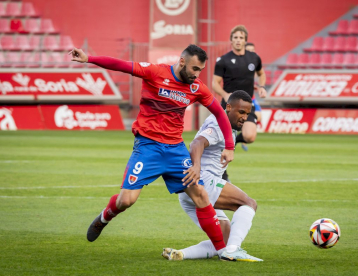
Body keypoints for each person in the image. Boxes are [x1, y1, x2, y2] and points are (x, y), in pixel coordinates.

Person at [69, 45, 235, 256]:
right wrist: (89, 58)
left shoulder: (196, 87)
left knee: (201, 195)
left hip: (176, 150)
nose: (196, 74)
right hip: (148, 147)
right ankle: (104, 218)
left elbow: (220, 113)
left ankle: (223, 252)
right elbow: (121, 65)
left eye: (200, 70)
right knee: (126, 200)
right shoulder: (155, 73)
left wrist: (229, 146)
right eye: (194, 68)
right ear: (182, 62)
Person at [162, 90, 262, 262]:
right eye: (241, 112)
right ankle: (233, 251)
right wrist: (196, 167)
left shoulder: (228, 125)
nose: (245, 117)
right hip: (203, 181)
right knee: (248, 203)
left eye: (247, 113)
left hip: (190, 191)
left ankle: (180, 254)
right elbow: (197, 143)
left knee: (223, 240)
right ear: (228, 107)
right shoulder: (217, 123)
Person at [212, 25, 266, 179]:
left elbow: (261, 74)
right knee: (219, 143)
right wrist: (224, 94)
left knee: (249, 136)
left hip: (247, 106)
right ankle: (222, 173)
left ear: (245, 40)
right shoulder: (223, 60)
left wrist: (261, 87)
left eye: (241, 37)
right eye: (235, 37)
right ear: (231, 40)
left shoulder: (254, 58)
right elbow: (215, 83)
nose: (238, 40)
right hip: (228, 106)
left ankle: (233, 141)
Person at [242, 42, 263, 151]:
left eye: (252, 50)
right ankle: (242, 135)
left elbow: (260, 75)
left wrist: (259, 87)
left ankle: (243, 136)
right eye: (248, 50)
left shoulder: (254, 63)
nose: (251, 52)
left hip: (252, 98)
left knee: (259, 116)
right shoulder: (240, 63)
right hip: (241, 99)